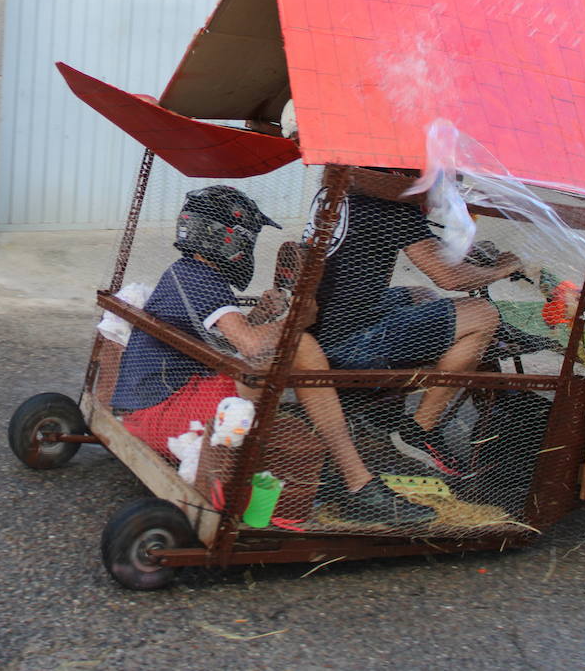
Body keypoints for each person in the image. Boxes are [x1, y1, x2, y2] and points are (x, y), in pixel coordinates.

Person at [113, 186, 436, 527]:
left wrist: (261, 316)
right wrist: (297, 321)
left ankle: (345, 470)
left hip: (153, 406)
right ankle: (358, 482)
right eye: (247, 239)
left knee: (291, 348)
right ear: (227, 239)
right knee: (304, 346)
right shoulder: (201, 279)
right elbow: (251, 347)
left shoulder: (189, 272)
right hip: (163, 418)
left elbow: (221, 342)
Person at [303, 172, 524, 476]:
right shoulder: (392, 205)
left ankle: (383, 412)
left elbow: (428, 248)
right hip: (345, 346)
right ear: (405, 175)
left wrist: (471, 255)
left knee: (421, 295)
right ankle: (420, 429)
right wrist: (501, 269)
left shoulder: (347, 191)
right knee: (483, 314)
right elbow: (450, 278)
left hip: (321, 328)